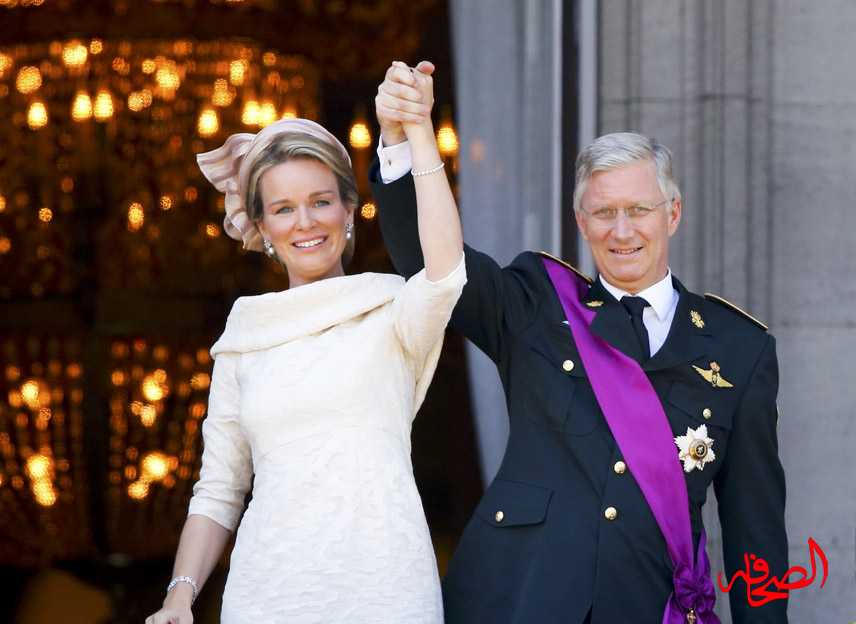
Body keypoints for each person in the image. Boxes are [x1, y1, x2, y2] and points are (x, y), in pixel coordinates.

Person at [372, 61, 788, 623]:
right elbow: (435, 267)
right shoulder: (535, 303)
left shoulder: (739, 347)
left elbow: (754, 530)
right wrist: (403, 140)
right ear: (581, 221)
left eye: (639, 210)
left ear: (673, 214)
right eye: (604, 213)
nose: (622, 230)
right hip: (519, 599)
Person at [145, 79, 465, 624]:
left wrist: (417, 129)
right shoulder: (246, 333)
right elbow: (220, 488)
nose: (305, 223)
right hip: (268, 596)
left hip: (387, 589)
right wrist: (180, 595)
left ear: (348, 209)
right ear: (262, 227)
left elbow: (446, 272)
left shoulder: (392, 307)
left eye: (321, 202)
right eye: (284, 209)